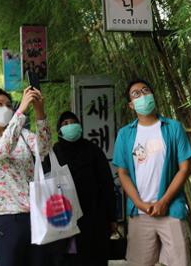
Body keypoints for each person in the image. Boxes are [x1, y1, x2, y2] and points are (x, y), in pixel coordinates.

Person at [112, 79, 191, 266]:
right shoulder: (125, 134)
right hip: (140, 213)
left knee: (180, 262)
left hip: (171, 209)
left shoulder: (173, 128)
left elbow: (185, 168)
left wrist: (164, 201)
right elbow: (122, 173)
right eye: (136, 94)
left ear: (153, 95)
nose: (142, 96)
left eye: (145, 91)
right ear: (131, 106)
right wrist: (139, 203)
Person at [0, 87, 50, 266]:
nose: (5, 108)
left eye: (8, 105)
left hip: (36, 215)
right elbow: (3, 149)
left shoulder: (23, 135)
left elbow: (44, 149)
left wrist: (39, 112)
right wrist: (20, 112)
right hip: (5, 219)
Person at [42, 111, 117, 265]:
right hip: (66, 220)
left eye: (73, 122)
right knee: (69, 260)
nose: (70, 126)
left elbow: (107, 184)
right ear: (59, 130)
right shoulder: (54, 153)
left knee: (95, 258)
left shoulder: (93, 150)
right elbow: (46, 188)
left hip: (95, 217)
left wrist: (112, 217)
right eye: (65, 124)